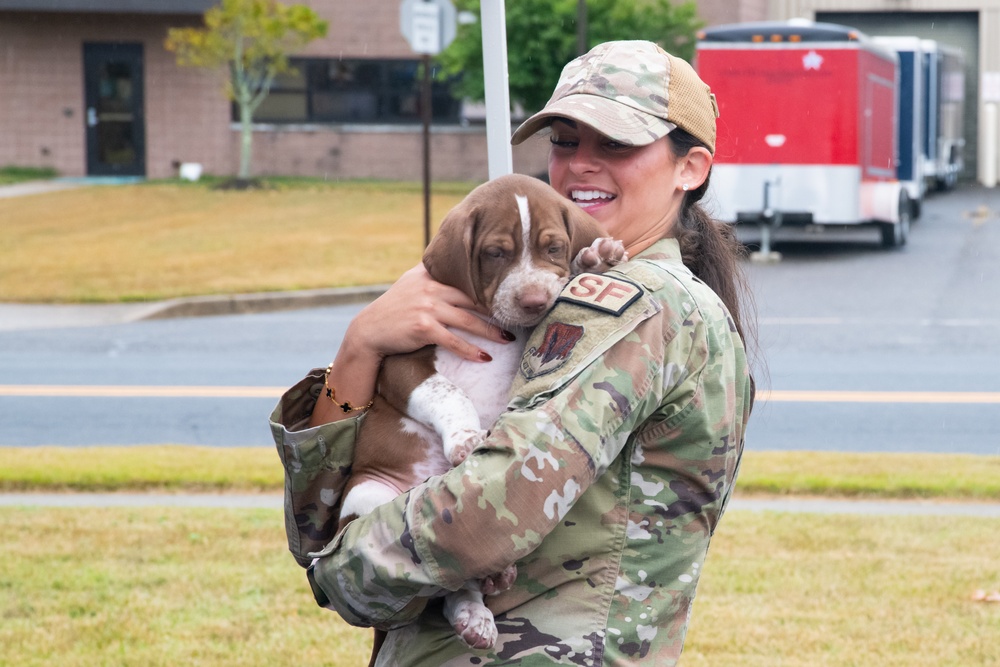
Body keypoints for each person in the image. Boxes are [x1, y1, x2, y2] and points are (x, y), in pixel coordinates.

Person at [270, 40, 756, 666]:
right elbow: (324, 511)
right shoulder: (559, 291)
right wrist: (362, 347)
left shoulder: (636, 304)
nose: (581, 164)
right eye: (564, 140)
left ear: (690, 168)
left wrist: (339, 570)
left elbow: (486, 511)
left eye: (616, 144)